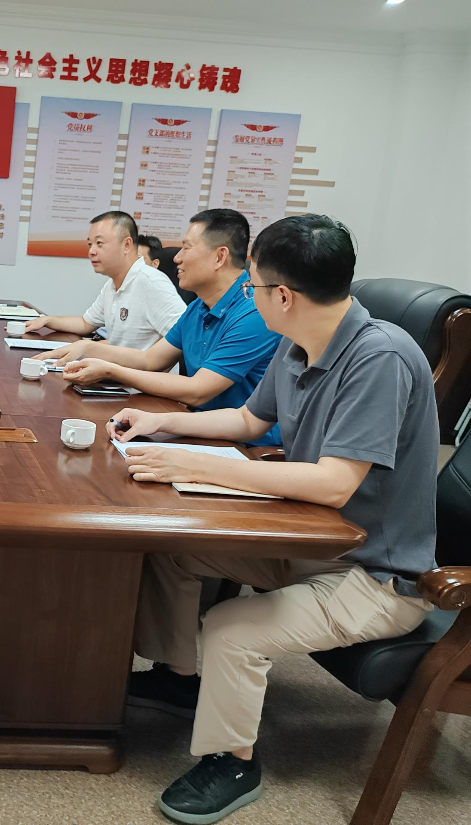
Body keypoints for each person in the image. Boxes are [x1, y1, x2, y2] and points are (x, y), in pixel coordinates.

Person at [108, 215, 437, 824]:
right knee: (171, 547)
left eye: (252, 285)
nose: (247, 294)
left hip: (377, 575)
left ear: (282, 295)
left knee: (232, 628)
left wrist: (198, 465)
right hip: (311, 542)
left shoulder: (380, 358)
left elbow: (335, 484)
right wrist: (162, 423)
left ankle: (234, 763)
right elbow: (248, 422)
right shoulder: (299, 339)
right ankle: (179, 678)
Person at [40, 209, 282, 446]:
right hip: (195, 424)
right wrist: (89, 350)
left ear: (219, 257)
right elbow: (150, 360)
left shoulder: (253, 312)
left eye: (186, 248)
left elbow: (198, 390)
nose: (176, 258)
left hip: (245, 446)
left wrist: (111, 371)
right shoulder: (199, 306)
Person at [24, 211, 185, 350]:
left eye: (99, 243)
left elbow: (184, 336)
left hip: (136, 376)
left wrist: (153, 365)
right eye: (90, 244)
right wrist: (48, 320)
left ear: (126, 245)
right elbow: (85, 323)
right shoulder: (112, 284)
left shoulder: (152, 282)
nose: (91, 251)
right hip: (113, 370)